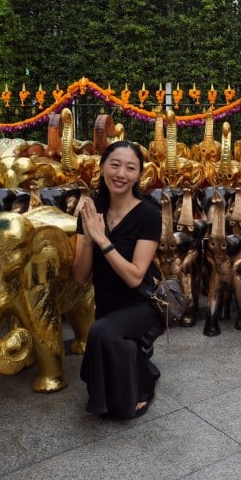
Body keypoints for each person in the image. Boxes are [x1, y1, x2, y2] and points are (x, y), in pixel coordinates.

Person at [74, 140, 165, 419]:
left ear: (139, 175)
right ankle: (141, 369)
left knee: (102, 332)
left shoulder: (149, 214)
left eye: (130, 167)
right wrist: (89, 239)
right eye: (114, 165)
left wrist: (101, 239)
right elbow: (80, 277)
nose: (121, 173)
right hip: (108, 305)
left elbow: (136, 277)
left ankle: (142, 388)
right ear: (102, 168)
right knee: (106, 330)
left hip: (142, 304)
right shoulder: (91, 212)